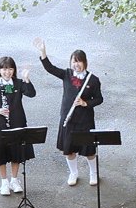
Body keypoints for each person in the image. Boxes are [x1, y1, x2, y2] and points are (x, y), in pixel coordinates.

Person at [34, 38, 103, 186]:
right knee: (69, 149)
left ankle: (93, 173)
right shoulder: (66, 74)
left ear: (85, 62)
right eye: (74, 61)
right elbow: (50, 68)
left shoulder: (93, 80)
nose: (76, 64)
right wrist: (43, 53)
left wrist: (86, 103)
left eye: (79, 61)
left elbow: (99, 99)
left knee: (89, 150)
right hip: (68, 118)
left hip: (85, 119)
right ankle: (73, 173)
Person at [0, 56, 36, 196]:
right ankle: (4, 182)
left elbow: (31, 94)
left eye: (10, 69)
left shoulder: (18, 83)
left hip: (17, 121)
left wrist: (27, 79)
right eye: (4, 69)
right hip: (0, 124)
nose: (7, 72)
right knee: (1, 152)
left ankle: (14, 180)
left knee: (16, 152)